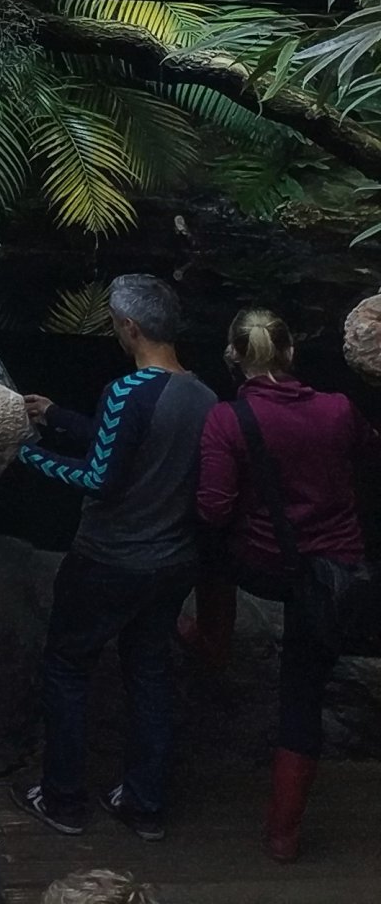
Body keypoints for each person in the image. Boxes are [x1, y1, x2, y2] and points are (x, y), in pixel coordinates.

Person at [12, 271, 215, 840]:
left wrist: (23, 454)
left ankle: (63, 799)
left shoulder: (127, 391)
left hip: (108, 561)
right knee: (149, 673)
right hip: (171, 563)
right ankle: (145, 805)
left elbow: (100, 476)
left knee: (68, 667)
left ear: (129, 327)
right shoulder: (204, 395)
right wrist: (55, 416)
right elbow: (129, 442)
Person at [195, 305, 378, 861]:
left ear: (232, 357)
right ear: (291, 353)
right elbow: (373, 455)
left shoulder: (227, 420)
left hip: (264, 566)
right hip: (333, 576)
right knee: (303, 694)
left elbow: (212, 508)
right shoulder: (339, 409)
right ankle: (283, 833)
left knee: (204, 548)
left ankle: (212, 636)